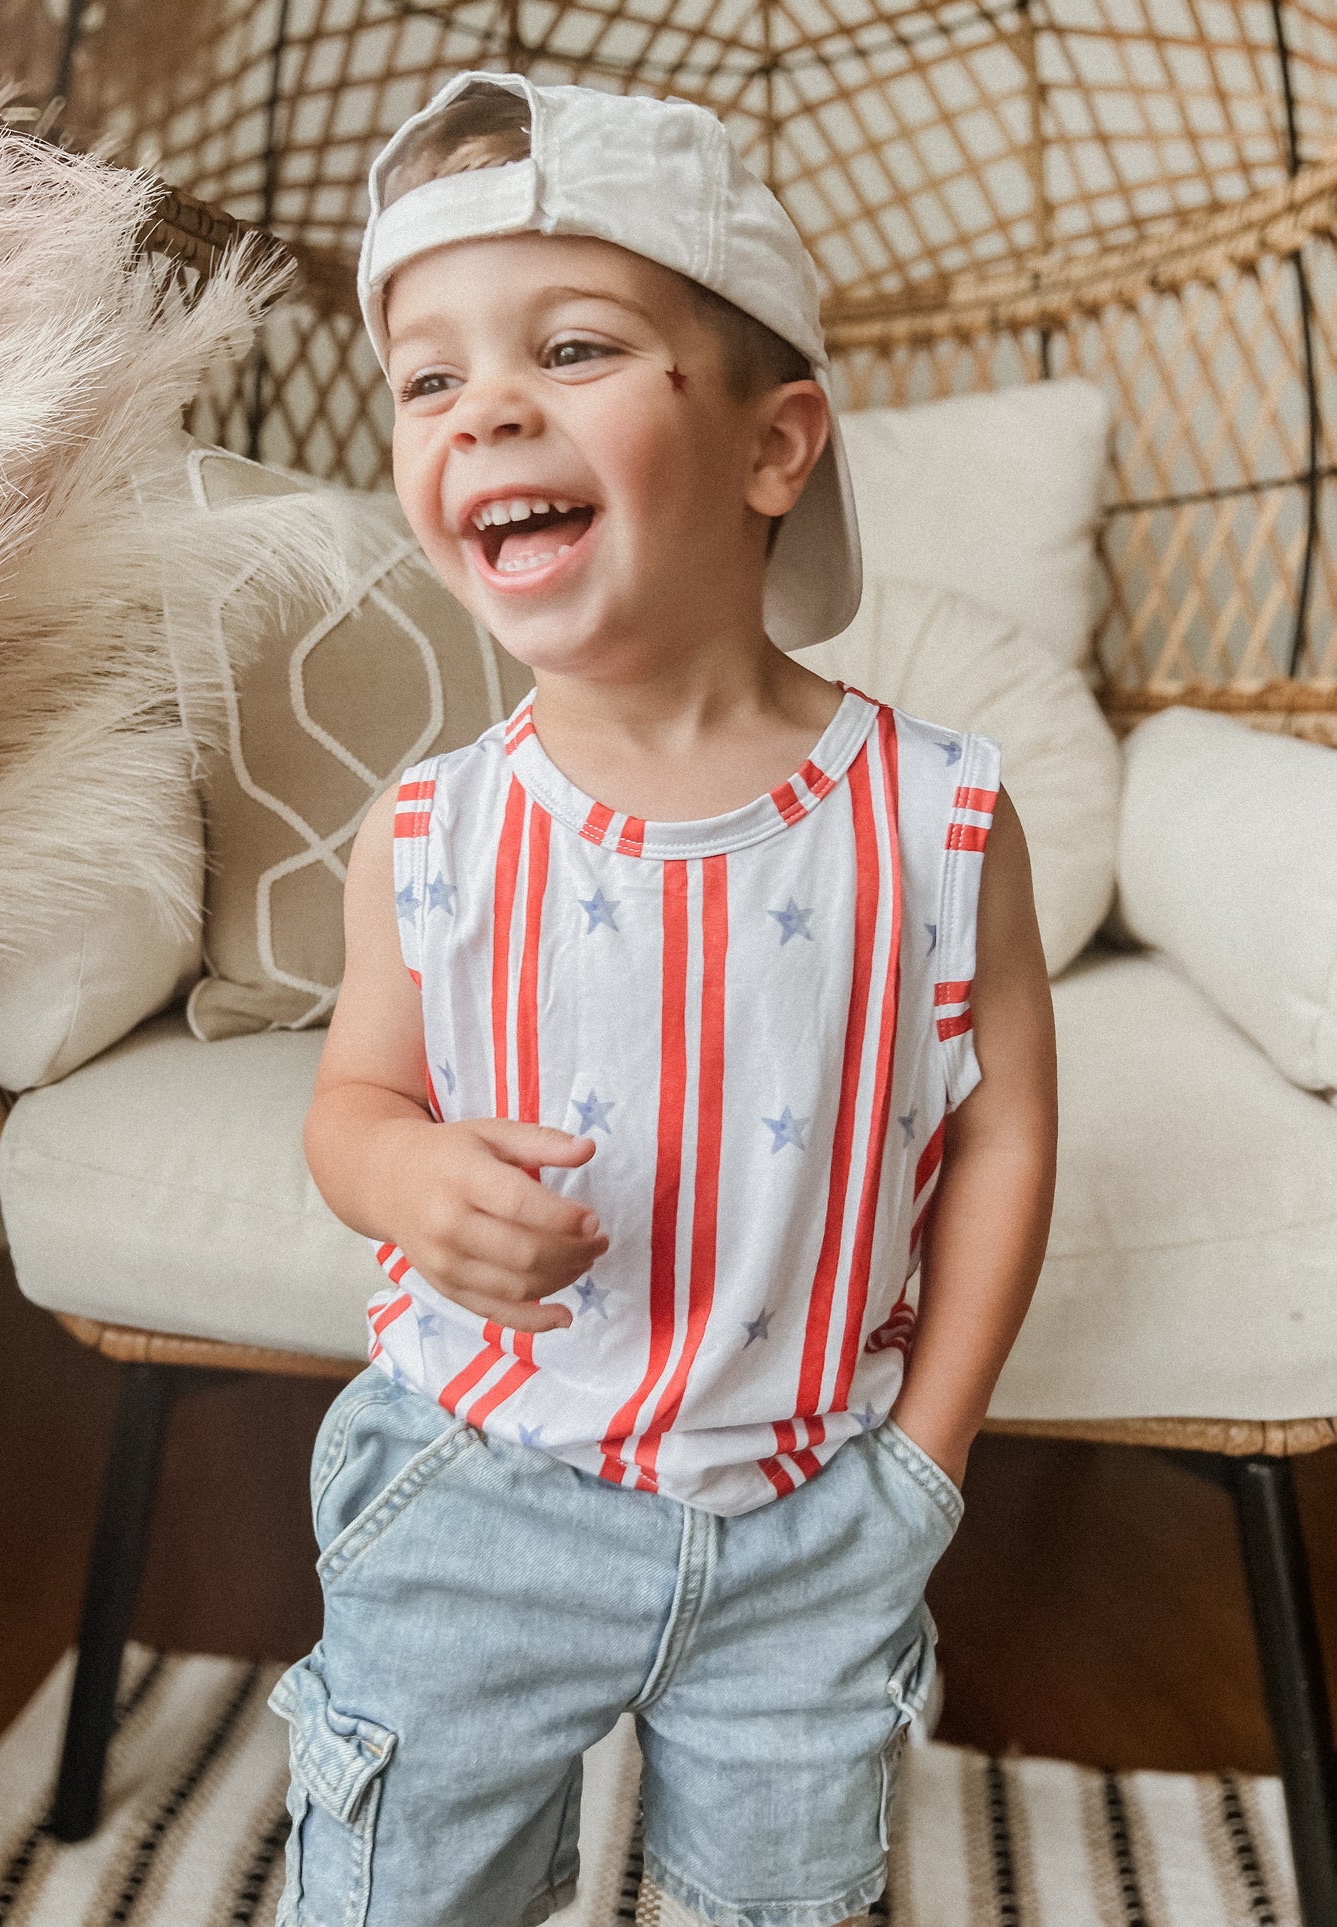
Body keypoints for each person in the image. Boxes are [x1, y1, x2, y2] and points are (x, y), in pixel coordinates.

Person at [274, 70, 1057, 1927]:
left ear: (773, 447)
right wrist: (407, 1182)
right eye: (430, 379)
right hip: (475, 1492)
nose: (486, 409)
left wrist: (926, 1461)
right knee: (395, 1897)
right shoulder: (433, 832)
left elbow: (1009, 1130)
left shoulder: (935, 817)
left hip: (813, 1519)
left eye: (570, 347)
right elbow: (349, 1109)